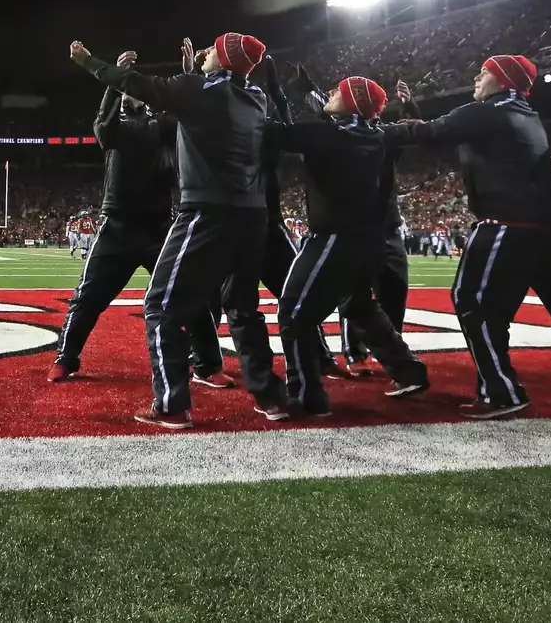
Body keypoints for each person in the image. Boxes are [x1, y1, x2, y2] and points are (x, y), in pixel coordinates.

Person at [385, 55, 551, 417]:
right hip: (548, 224)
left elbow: (426, 133)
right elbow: (437, 131)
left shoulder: (485, 112)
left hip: (508, 222)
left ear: (504, 80)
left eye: (484, 71)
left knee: (473, 301)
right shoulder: (525, 114)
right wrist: (410, 110)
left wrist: (364, 131)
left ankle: (502, 392)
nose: (476, 76)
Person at [70, 32, 286, 429]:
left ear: (224, 59)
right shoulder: (256, 97)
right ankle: (270, 396)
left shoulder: (198, 91)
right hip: (252, 215)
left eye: (212, 50)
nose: (204, 52)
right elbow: (208, 113)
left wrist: (88, 61)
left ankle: (171, 405)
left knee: (161, 307)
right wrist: (192, 79)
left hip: (207, 211)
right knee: (243, 306)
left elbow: (136, 85)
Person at [51, 52, 231, 388]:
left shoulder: (162, 127)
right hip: (117, 226)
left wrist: (188, 75)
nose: (131, 92)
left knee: (189, 295)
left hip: (159, 226)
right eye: (126, 91)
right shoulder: (115, 129)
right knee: (87, 298)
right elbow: (102, 129)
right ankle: (65, 358)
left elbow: (186, 114)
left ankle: (206, 364)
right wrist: (115, 82)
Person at [266, 76, 430, 417]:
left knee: (293, 313)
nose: (329, 93)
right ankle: (409, 370)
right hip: (370, 243)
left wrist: (275, 97)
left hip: (333, 241)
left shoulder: (329, 134)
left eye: (337, 91)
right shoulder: (378, 135)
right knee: (360, 307)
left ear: (352, 102)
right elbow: (416, 131)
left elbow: (272, 133)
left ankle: (306, 396)